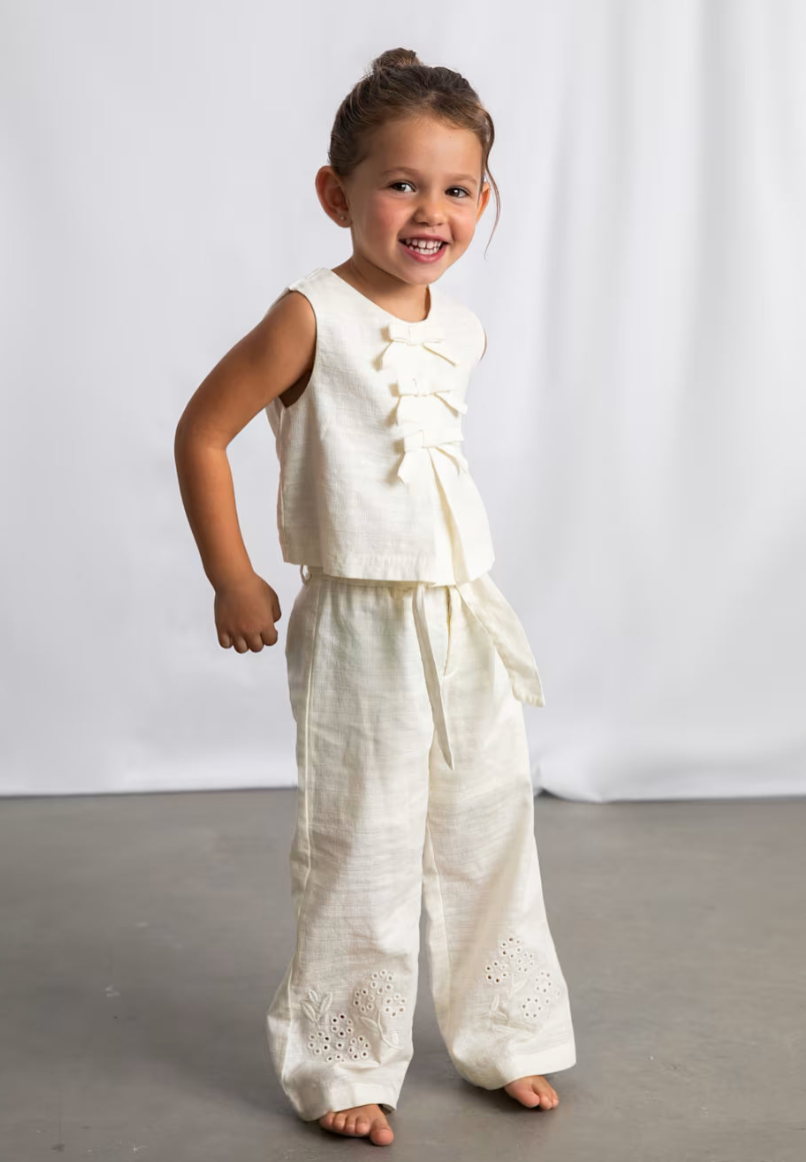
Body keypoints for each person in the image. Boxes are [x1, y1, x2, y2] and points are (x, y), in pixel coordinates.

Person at [174, 46, 576, 1148]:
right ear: (336, 192)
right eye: (401, 183)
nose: (430, 211)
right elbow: (202, 431)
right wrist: (233, 573)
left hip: (463, 611)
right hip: (359, 621)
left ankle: (505, 1031)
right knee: (364, 838)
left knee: (489, 823)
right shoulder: (310, 314)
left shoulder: (461, 325)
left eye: (457, 188)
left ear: (484, 200)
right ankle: (345, 1055)